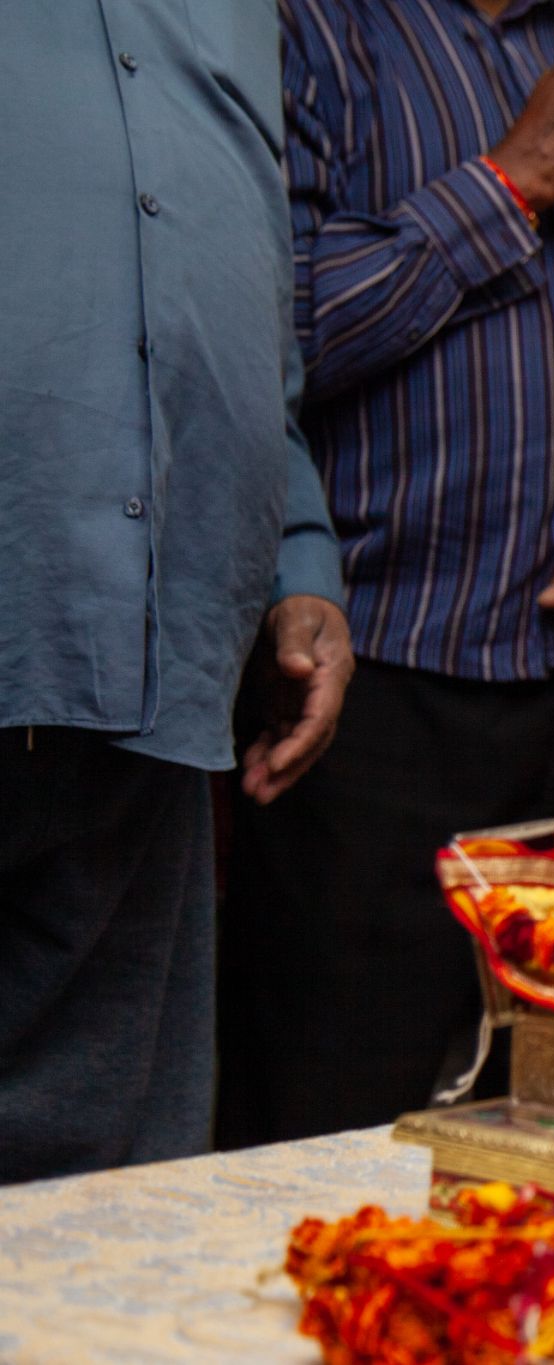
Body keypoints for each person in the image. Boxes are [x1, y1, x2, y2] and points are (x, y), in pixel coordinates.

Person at [217, 0, 554, 1147]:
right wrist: (511, 182)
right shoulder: (314, 37)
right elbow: (261, 330)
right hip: (377, 712)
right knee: (338, 1144)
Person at [0, 7, 351, 1181]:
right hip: (29, 588)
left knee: (117, 1192)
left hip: (161, 662)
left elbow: (259, 305)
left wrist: (299, 559)